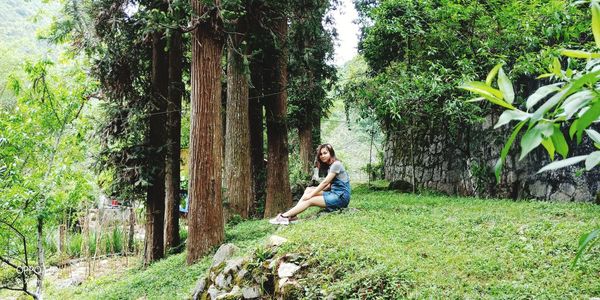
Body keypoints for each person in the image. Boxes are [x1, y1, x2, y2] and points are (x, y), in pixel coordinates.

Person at [269, 143, 351, 225]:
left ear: (331, 153)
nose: (322, 156)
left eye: (325, 153)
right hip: (335, 193)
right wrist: (312, 191)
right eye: (320, 154)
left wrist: (312, 194)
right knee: (308, 189)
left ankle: (284, 216)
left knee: (310, 200)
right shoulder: (330, 166)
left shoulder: (336, 164)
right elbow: (330, 185)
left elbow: (325, 182)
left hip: (341, 198)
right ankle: (293, 215)